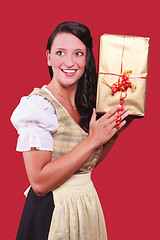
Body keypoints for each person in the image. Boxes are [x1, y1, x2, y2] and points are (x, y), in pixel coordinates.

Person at [11, 21, 130, 240]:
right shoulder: (38, 106)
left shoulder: (87, 103)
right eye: (60, 52)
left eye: (78, 53)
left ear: (87, 58)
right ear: (48, 57)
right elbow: (39, 182)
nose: (69, 62)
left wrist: (113, 133)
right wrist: (93, 140)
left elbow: (85, 166)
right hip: (53, 210)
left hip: (85, 205)